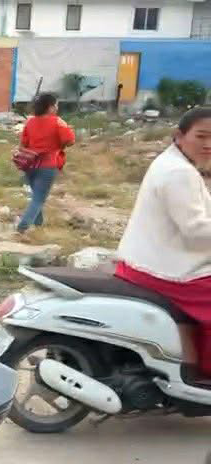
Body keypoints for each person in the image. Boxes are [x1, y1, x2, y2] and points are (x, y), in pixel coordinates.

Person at [115, 107, 211, 379]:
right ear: (179, 136)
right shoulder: (179, 172)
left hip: (147, 261)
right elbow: (195, 230)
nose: (208, 144)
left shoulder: (173, 162)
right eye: (201, 136)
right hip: (166, 270)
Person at [16, 92, 75, 233]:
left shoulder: (30, 122)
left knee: (36, 195)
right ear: (50, 107)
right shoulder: (57, 122)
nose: (57, 108)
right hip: (48, 165)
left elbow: (23, 144)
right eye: (56, 105)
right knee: (38, 199)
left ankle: (38, 225)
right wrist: (62, 135)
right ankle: (22, 228)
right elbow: (70, 141)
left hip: (30, 164)